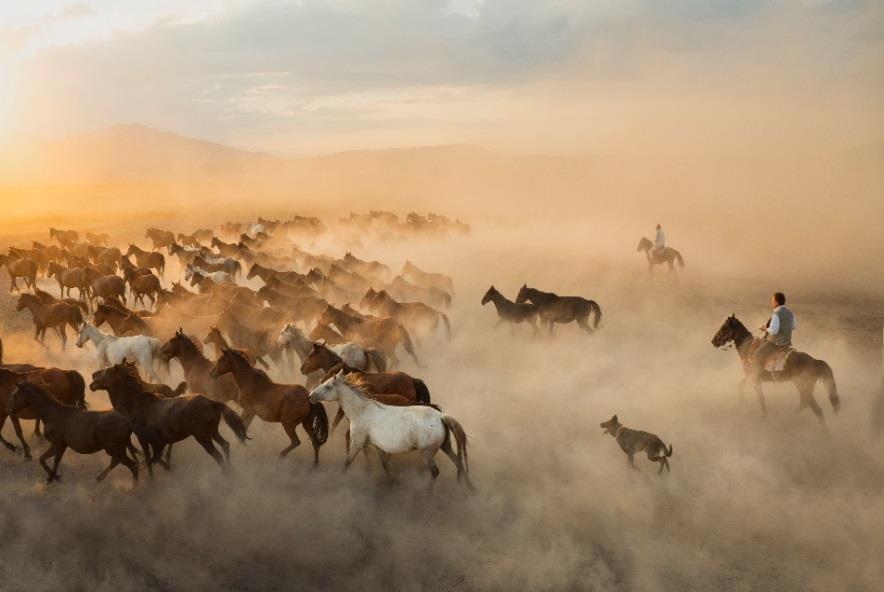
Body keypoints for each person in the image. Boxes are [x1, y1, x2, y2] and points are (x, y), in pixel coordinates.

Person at [752, 292, 796, 371]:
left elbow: (773, 331)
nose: (771, 303)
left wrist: (765, 329)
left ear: (776, 302)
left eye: (772, 301)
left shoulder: (776, 314)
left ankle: (757, 376)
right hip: (787, 343)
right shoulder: (790, 313)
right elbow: (793, 327)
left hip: (775, 344)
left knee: (757, 355)